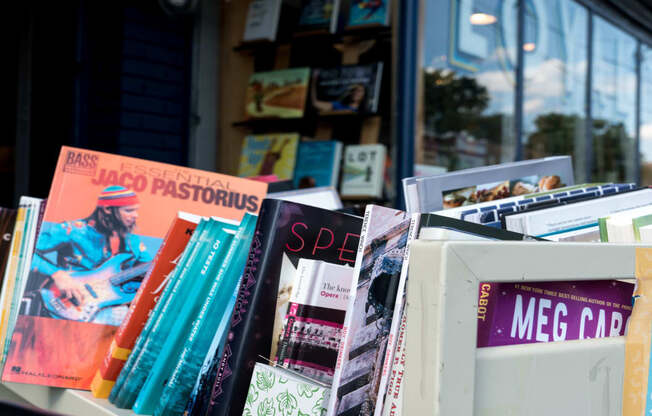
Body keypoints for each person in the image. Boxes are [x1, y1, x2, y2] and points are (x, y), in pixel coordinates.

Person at [28, 185, 152, 325]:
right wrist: (57, 274)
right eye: (129, 210)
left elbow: (150, 270)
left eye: (136, 210)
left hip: (110, 310)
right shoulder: (72, 230)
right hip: (67, 303)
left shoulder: (133, 240)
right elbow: (26, 251)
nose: (136, 215)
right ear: (107, 209)